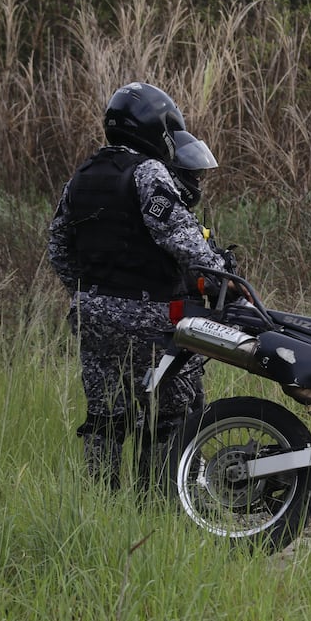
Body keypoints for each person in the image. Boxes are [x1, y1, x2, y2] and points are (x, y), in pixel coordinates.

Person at [48, 81, 230, 492]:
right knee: (176, 411)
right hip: (150, 317)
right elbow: (183, 240)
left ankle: (101, 506)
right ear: (154, 128)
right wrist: (223, 277)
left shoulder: (82, 175)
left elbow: (59, 247)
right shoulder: (148, 172)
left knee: (105, 417)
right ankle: (163, 502)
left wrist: (90, 294)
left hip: (92, 314)